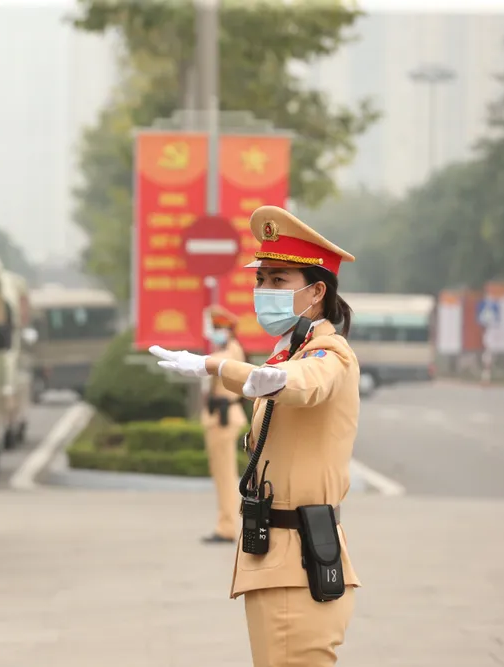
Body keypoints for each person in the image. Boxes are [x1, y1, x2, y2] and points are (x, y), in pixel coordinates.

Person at [150, 205, 360, 667]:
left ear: (317, 291)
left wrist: (214, 365)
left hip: (298, 562)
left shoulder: (329, 353)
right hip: (279, 557)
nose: (263, 290)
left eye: (278, 280)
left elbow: (303, 385)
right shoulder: (290, 353)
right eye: (260, 279)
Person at [201, 305, 248, 545]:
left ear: (228, 330)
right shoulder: (223, 349)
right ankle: (225, 523)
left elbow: (220, 363)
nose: (216, 332)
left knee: (225, 476)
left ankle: (227, 527)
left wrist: (197, 361)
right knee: (221, 475)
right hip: (218, 416)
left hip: (225, 416)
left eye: (219, 328)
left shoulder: (232, 349)